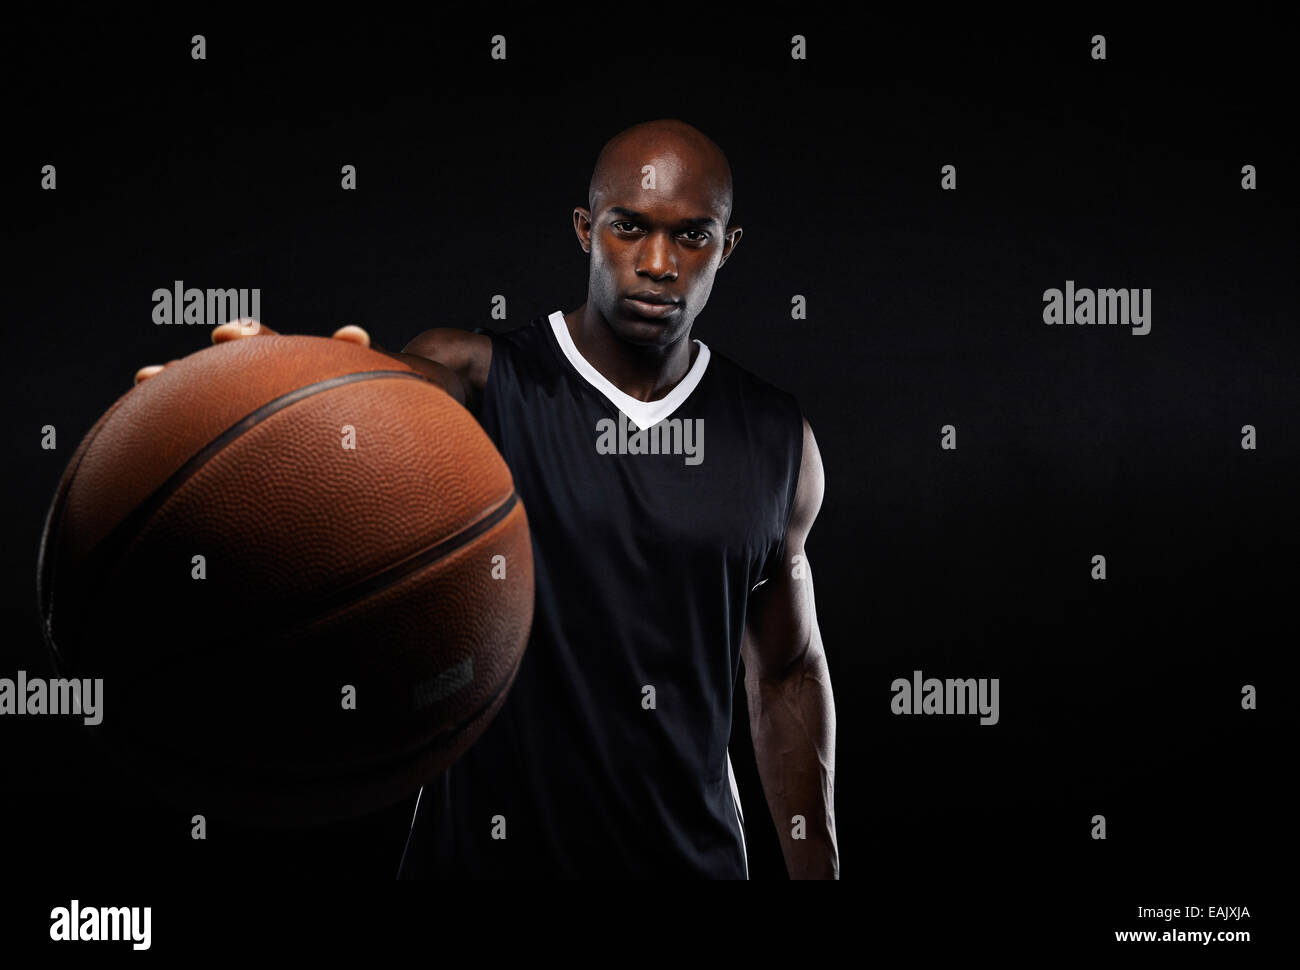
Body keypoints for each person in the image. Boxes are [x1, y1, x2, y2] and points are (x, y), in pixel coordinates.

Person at [135, 119, 838, 879]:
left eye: (692, 236)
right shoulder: (479, 377)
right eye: (628, 228)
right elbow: (379, 403)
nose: (658, 264)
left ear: (727, 248)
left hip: (688, 862)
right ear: (584, 229)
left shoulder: (776, 439)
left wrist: (816, 872)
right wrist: (278, 393)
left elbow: (786, 673)